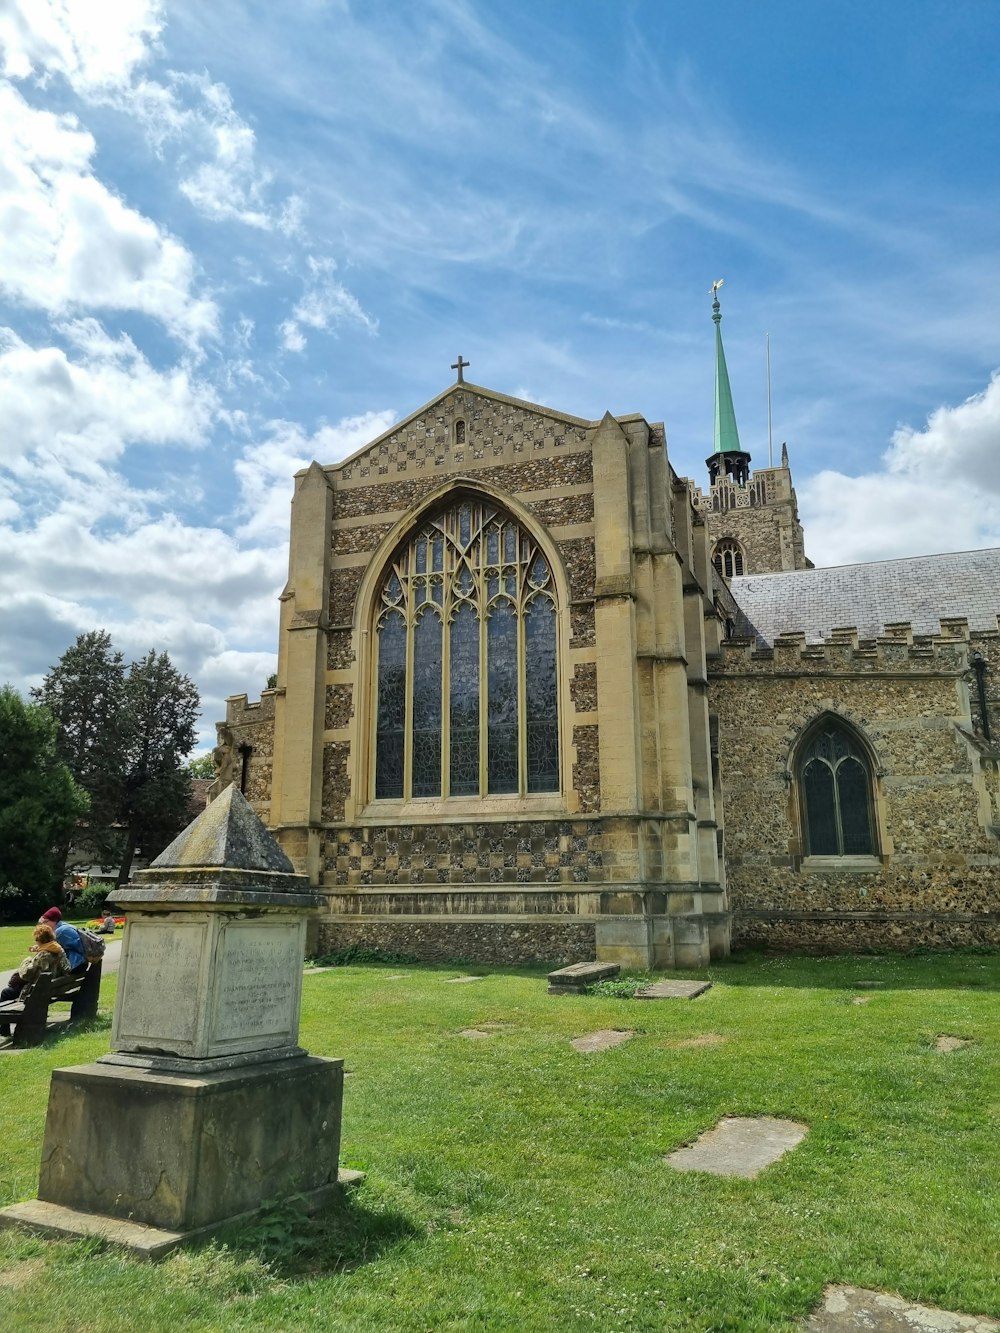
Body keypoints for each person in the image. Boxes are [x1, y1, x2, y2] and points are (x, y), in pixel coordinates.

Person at [0, 923, 71, 1036]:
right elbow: (67, 969)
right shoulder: (59, 950)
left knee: (6, 993)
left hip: (36, 993)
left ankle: (4, 1030)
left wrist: (27, 960)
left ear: (39, 939)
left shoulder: (43, 955)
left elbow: (26, 975)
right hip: (52, 989)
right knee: (10, 990)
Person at [39, 907, 87, 975]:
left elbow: (52, 948)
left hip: (74, 965)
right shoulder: (66, 926)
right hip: (81, 964)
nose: (44, 925)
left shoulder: (60, 931)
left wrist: (40, 947)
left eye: (45, 922)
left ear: (54, 920)